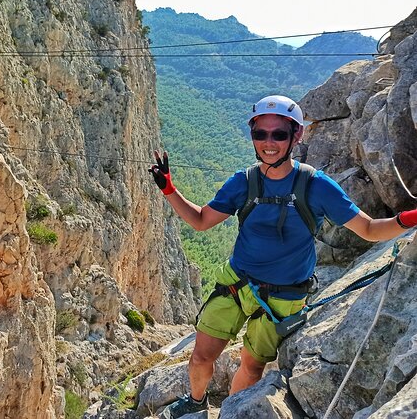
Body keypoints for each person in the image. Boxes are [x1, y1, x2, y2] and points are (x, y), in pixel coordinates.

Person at [149, 95, 417, 417]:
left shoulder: (316, 186)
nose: (268, 143)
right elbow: (202, 221)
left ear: (296, 135)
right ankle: (196, 400)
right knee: (201, 356)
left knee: (251, 366)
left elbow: (370, 229)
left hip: (284, 296)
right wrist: (169, 189)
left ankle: (228, 413)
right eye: (260, 134)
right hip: (238, 282)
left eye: (278, 134)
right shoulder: (243, 182)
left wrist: (408, 219)